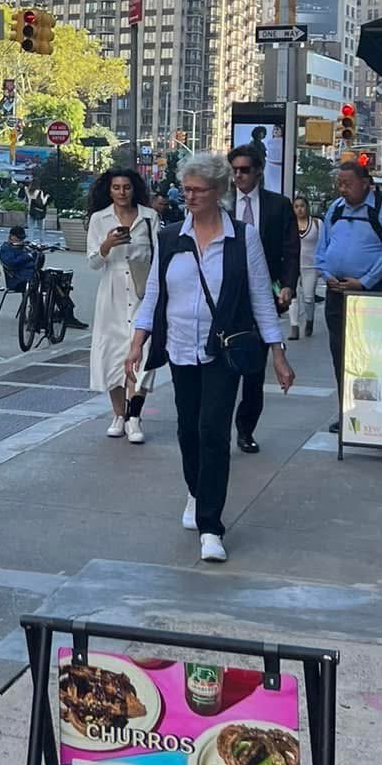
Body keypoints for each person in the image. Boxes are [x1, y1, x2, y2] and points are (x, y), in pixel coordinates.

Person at [126, 150, 292, 563]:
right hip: (180, 346)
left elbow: (260, 297)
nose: (190, 197)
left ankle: (211, 526)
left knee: (213, 432)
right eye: (186, 190)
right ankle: (196, 490)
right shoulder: (170, 237)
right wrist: (137, 340)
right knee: (188, 430)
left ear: (218, 191)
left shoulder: (242, 236)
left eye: (198, 190)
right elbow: (154, 294)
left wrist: (278, 352)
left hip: (223, 349)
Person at [314, 158, 382, 430]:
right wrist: (327, 274)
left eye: (348, 184)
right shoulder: (336, 208)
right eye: (340, 184)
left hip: (370, 293)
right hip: (337, 292)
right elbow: (323, 247)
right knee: (340, 352)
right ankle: (348, 412)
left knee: (369, 355)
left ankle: (370, 412)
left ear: (366, 184)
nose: (343, 189)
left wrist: (364, 282)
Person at [227, 142, 300, 454]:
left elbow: (290, 249)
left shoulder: (277, 205)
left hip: (264, 294)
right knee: (224, 365)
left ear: (258, 171)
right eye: (235, 171)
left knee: (254, 370)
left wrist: (288, 285)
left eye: (245, 170)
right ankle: (218, 426)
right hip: (227, 295)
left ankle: (246, 429)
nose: (239, 176)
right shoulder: (222, 204)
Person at [87, 169, 157, 442]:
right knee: (112, 354)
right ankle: (119, 414)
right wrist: (107, 244)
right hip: (112, 293)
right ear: (109, 190)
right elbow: (92, 263)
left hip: (142, 291)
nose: (121, 192)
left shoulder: (150, 218)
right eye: (116, 187)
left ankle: (134, 417)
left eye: (126, 187)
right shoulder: (99, 219)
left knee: (143, 354)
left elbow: (159, 257)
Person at [292, 194, 320, 340]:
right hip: (293, 265)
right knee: (293, 296)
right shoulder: (290, 224)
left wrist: (323, 265)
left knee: (308, 297)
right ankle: (294, 327)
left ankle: (309, 320)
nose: (299, 209)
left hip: (311, 266)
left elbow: (324, 245)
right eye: (296, 207)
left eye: (302, 206)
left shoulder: (317, 224)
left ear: (307, 207)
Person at [0, 223, 38, 291]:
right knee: (40, 281)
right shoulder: (6, 248)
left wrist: (35, 251)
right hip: (17, 279)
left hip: (30, 274)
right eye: (19, 238)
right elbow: (11, 263)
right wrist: (28, 256)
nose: (21, 240)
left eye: (22, 238)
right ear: (12, 236)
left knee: (51, 278)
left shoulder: (25, 247)